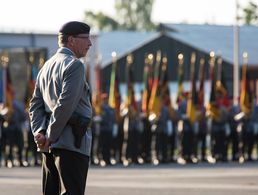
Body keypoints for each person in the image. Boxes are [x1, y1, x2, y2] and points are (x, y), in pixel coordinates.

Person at [29, 21, 92, 195]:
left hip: (50, 145)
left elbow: (35, 105)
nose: (90, 43)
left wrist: (40, 132)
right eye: (85, 38)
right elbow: (65, 105)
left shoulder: (45, 67)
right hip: (70, 144)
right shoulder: (74, 65)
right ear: (71, 40)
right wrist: (49, 135)